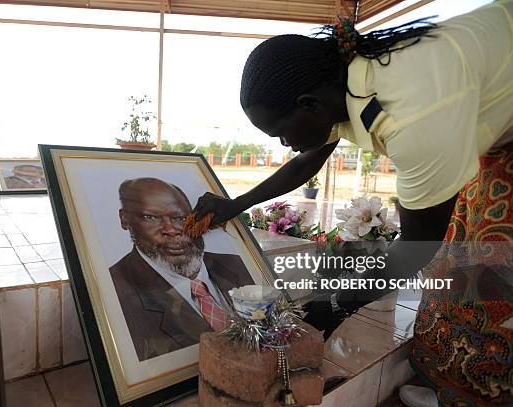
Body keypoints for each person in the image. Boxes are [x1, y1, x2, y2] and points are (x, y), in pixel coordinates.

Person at [192, 2, 512, 406]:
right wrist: (235, 204)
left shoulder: (414, 118)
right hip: (488, 116)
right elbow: (308, 160)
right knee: (460, 276)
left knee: (490, 276)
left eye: (280, 133)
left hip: (490, 120)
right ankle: (451, 379)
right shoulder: (339, 83)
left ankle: (485, 389)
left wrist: (333, 307)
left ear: (309, 105)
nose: (282, 144)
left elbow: (415, 250)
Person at [110, 177, 254, 361]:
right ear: (125, 219)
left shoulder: (236, 264)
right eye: (151, 217)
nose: (171, 230)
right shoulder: (115, 291)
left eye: (180, 218)